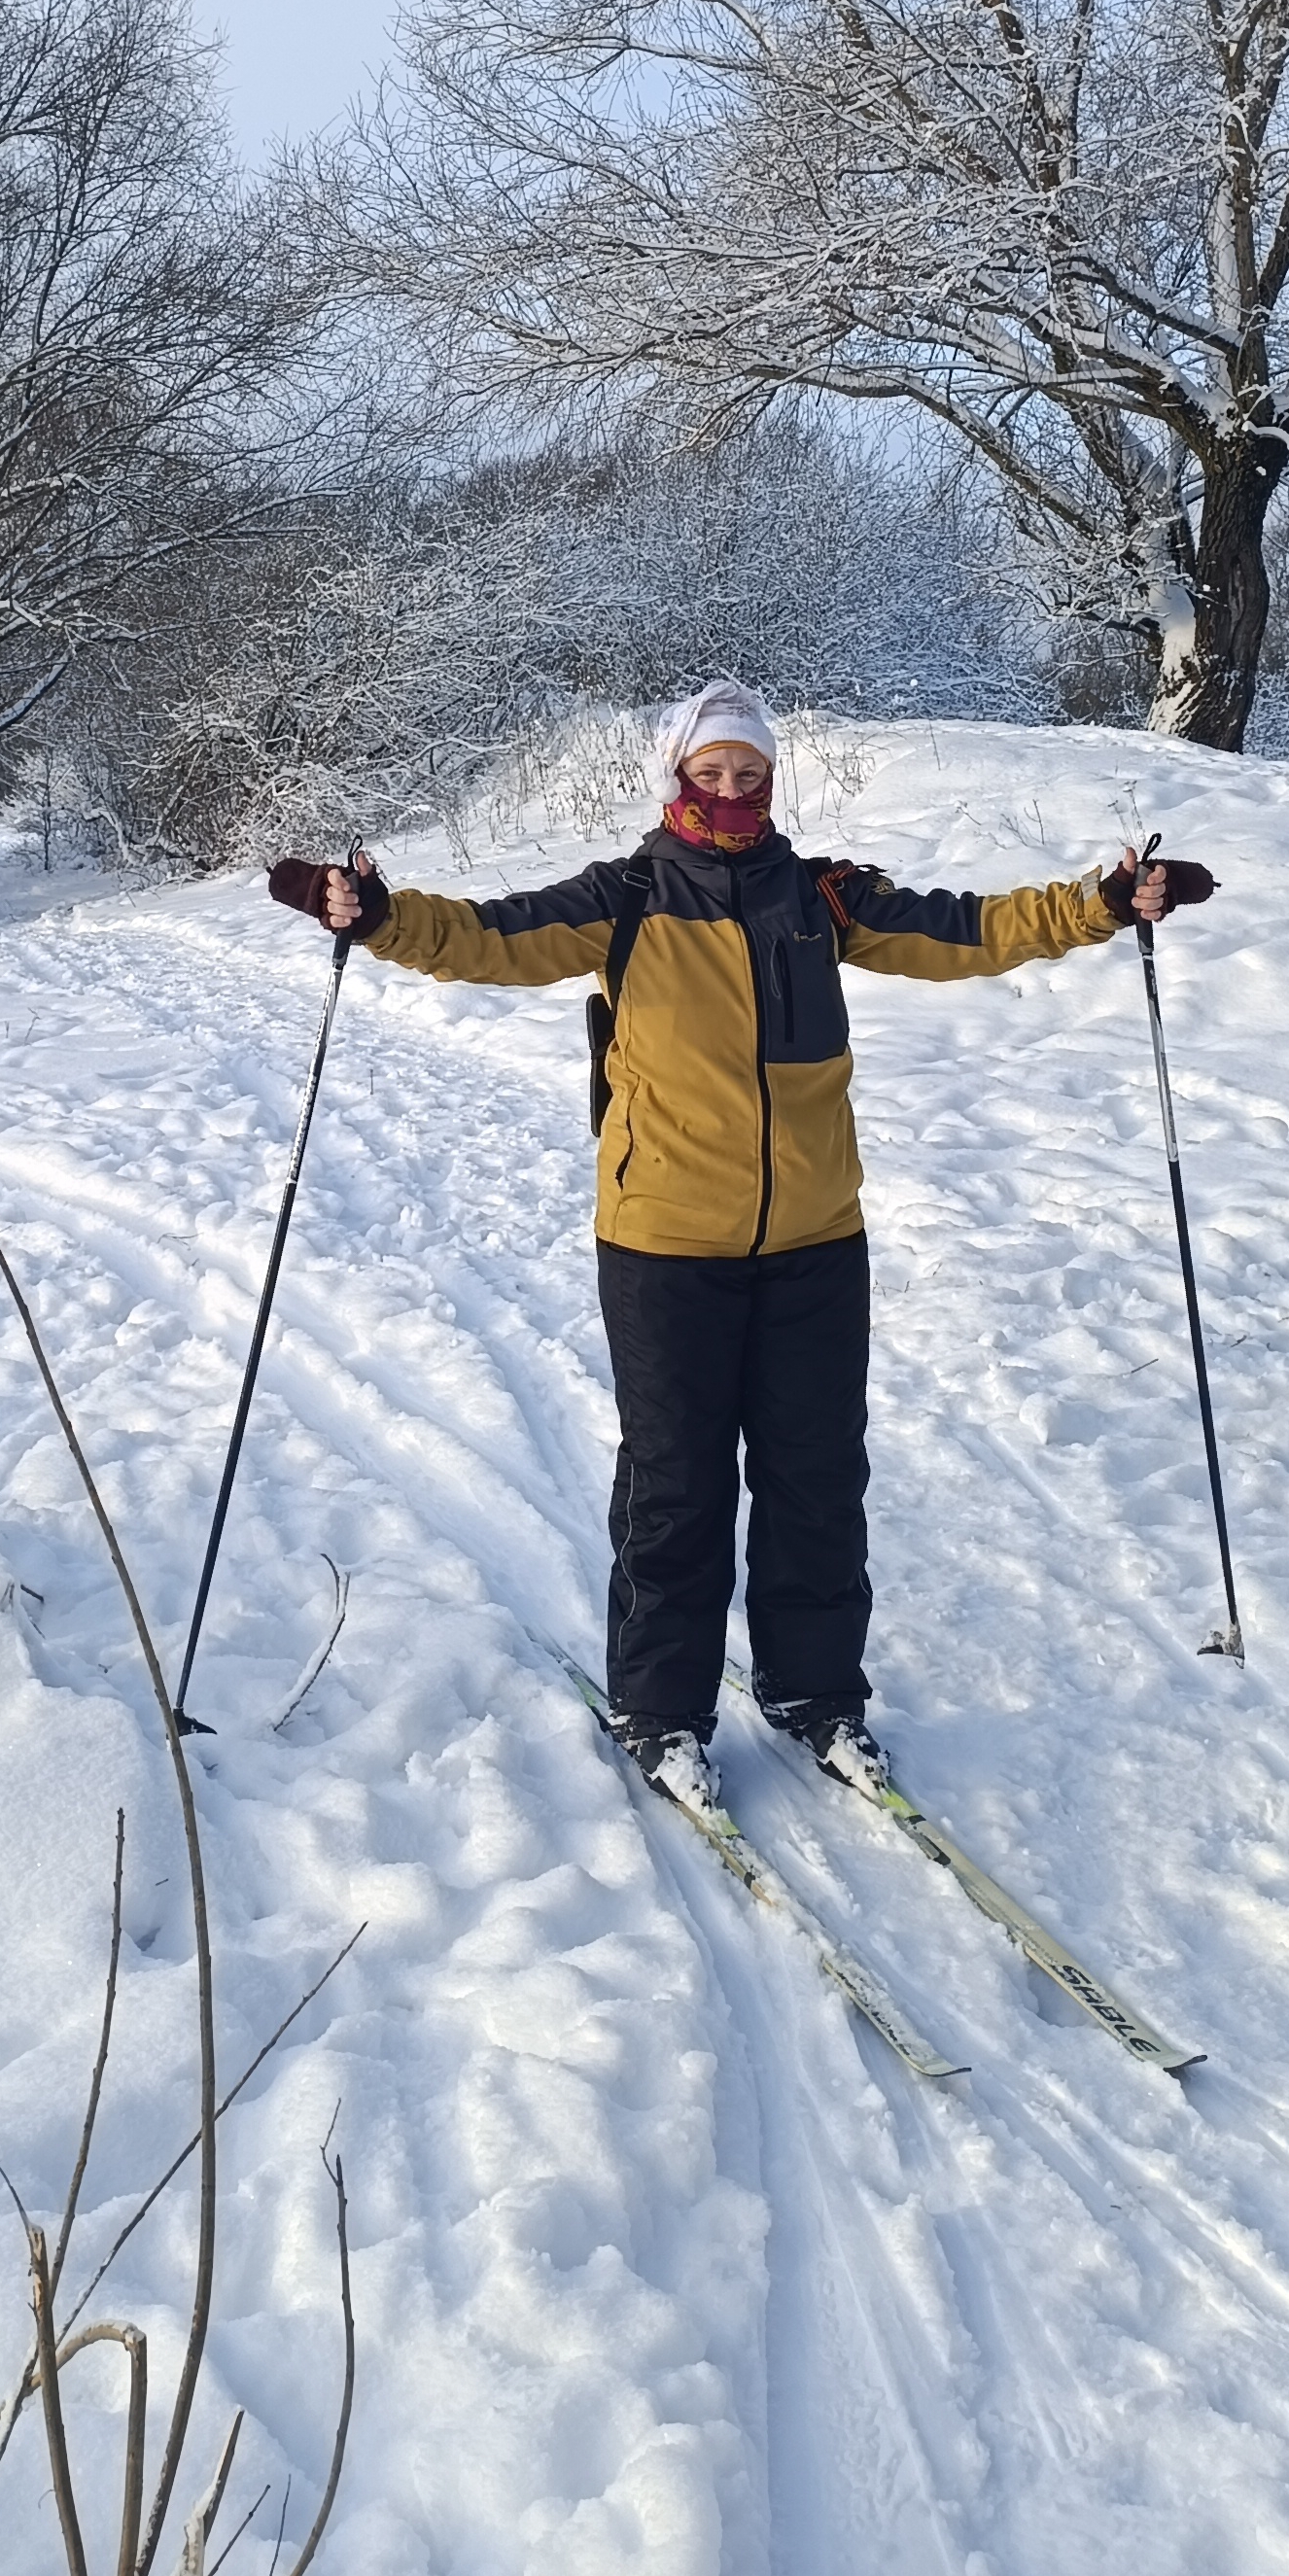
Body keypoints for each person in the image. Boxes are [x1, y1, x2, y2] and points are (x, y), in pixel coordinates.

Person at [270, 679, 1213, 1818]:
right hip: (665, 1243)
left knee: (819, 1477)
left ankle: (816, 1693)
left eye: (748, 773)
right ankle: (661, 1707)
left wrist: (1107, 901)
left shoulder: (820, 896)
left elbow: (970, 929)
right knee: (676, 1485)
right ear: (676, 778)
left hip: (817, 1237)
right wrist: (367, 912)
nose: (730, 789)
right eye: (710, 772)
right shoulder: (624, 897)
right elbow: (483, 939)